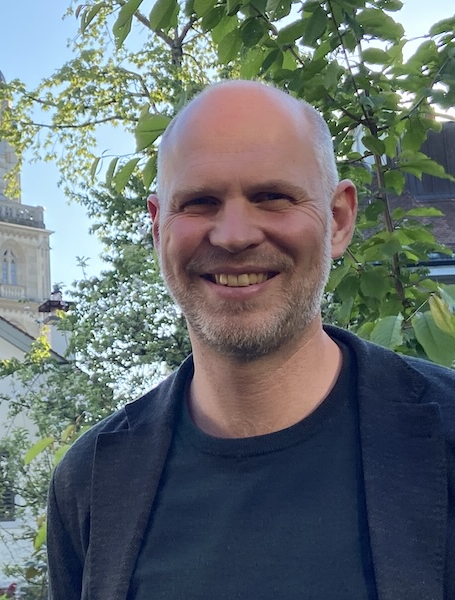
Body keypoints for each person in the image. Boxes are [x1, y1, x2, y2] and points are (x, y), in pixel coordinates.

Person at [46, 80, 455, 600]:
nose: (234, 234)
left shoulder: (445, 435)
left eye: (272, 197)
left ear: (338, 220)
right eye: (199, 202)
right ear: (157, 229)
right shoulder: (90, 482)